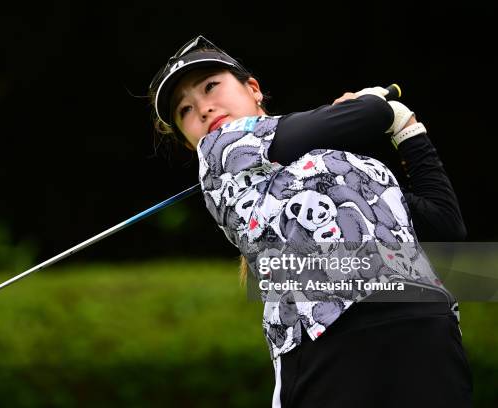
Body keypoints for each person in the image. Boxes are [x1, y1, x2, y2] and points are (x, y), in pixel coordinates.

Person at [148, 35, 472, 407]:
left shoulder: (349, 160)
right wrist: (378, 107)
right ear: (190, 142)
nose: (203, 108)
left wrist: (407, 127)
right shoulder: (217, 151)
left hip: (426, 332)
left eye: (210, 87)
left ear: (253, 89)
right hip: (331, 345)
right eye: (185, 110)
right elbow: (370, 115)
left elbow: (445, 222)